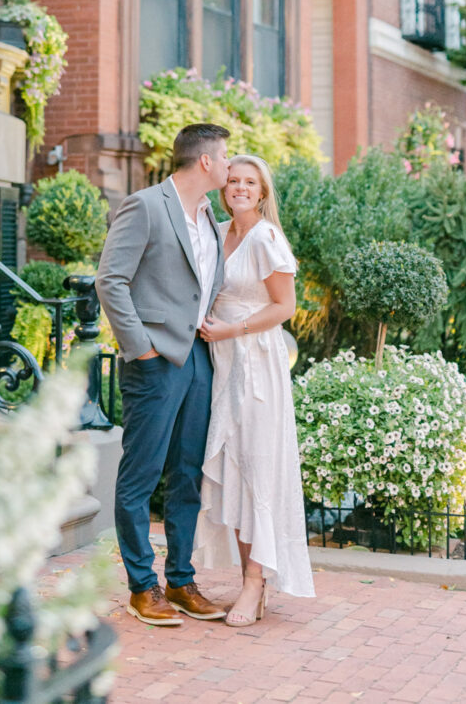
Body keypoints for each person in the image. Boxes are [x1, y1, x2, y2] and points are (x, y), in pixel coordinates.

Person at [96, 123, 230, 626]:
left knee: (187, 474)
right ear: (205, 162)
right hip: (154, 362)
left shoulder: (212, 219)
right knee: (142, 475)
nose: (228, 163)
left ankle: (180, 580)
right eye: (225, 156)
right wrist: (142, 349)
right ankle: (141, 586)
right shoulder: (146, 205)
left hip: (198, 358)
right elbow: (110, 280)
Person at [194, 154, 315, 626]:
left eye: (251, 182)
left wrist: (232, 330)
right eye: (234, 180)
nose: (241, 187)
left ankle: (254, 583)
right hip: (221, 364)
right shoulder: (220, 231)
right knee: (235, 467)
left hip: (256, 365)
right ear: (224, 187)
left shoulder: (265, 237)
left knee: (257, 470)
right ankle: (248, 577)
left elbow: (285, 306)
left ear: (262, 193)